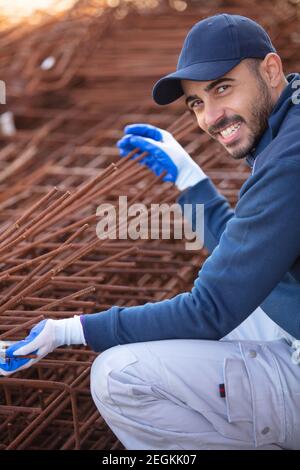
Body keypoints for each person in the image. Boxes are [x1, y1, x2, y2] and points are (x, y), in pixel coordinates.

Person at [1, 13, 300, 450]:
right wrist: (192, 185)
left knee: (120, 375)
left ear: (271, 70)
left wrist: (71, 330)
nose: (211, 116)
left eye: (222, 88)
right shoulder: (288, 128)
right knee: (243, 305)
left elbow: (210, 310)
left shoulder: (287, 163)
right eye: (196, 103)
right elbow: (254, 257)